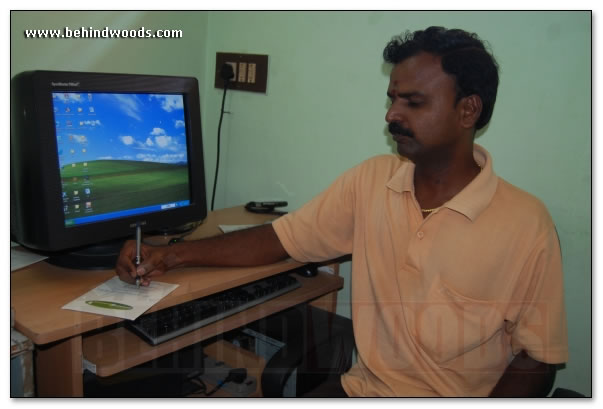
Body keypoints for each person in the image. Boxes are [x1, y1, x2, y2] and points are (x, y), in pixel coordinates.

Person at [116, 26, 568, 397]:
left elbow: (539, 357)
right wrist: (170, 254)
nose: (392, 115)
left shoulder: (526, 224)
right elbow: (280, 239)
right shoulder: (371, 182)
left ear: (468, 110)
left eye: (413, 102)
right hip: (363, 392)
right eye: (392, 98)